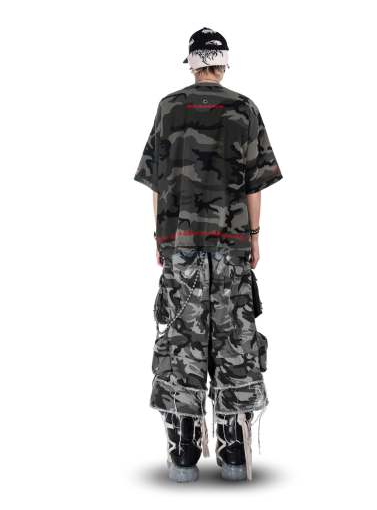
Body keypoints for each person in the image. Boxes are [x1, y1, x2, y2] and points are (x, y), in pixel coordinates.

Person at [134, 27, 283, 482]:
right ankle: (234, 456)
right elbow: (255, 184)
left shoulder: (169, 108)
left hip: (181, 246)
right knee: (234, 340)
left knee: (183, 340)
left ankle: (182, 456)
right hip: (232, 246)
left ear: (193, 63)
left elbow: (158, 182)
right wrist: (253, 236)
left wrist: (161, 238)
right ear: (223, 64)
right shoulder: (244, 108)